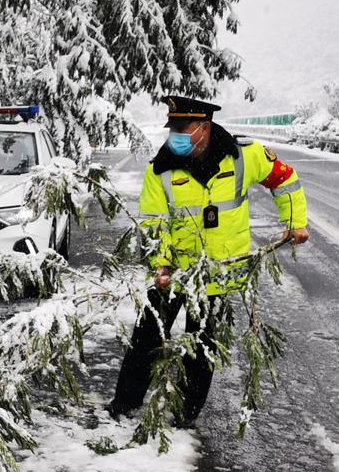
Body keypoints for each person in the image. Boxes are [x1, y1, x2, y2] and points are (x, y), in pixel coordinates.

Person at [107, 95, 310, 427]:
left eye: (183, 129)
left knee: (200, 349)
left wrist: (295, 223)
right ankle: (123, 404)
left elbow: (285, 180)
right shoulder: (161, 169)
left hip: (220, 272)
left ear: (204, 127)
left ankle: (184, 416)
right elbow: (155, 224)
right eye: (173, 128)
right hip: (174, 272)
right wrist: (161, 264)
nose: (176, 135)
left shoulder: (245, 156)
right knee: (147, 337)